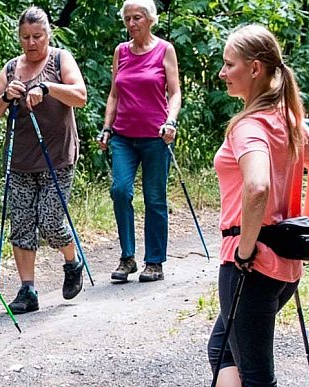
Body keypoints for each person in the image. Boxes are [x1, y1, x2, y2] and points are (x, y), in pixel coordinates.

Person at [206, 24, 309, 387]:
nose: (223, 72)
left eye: (229, 64)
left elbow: (257, 186)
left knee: (257, 377)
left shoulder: (248, 126)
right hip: (283, 268)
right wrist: (302, 228)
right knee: (223, 350)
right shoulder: (288, 120)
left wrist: (245, 249)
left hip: (250, 266)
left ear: (255, 68)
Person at [0, 6, 87, 314]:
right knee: (21, 224)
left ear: (48, 35)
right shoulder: (11, 68)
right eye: (26, 37)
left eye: (37, 36)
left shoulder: (59, 59)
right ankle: (27, 289)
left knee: (51, 221)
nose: (31, 43)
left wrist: (47, 87)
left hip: (57, 156)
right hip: (20, 159)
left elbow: (80, 96)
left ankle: (72, 261)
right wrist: (6, 97)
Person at [98, 0, 181, 283]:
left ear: (150, 20)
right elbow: (114, 94)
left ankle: (154, 261)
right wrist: (107, 128)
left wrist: (171, 121)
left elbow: (175, 93)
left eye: (137, 18)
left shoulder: (164, 49)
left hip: (156, 137)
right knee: (120, 191)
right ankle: (127, 257)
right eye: (127, 19)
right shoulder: (121, 51)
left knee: (154, 198)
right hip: (123, 136)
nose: (131, 23)